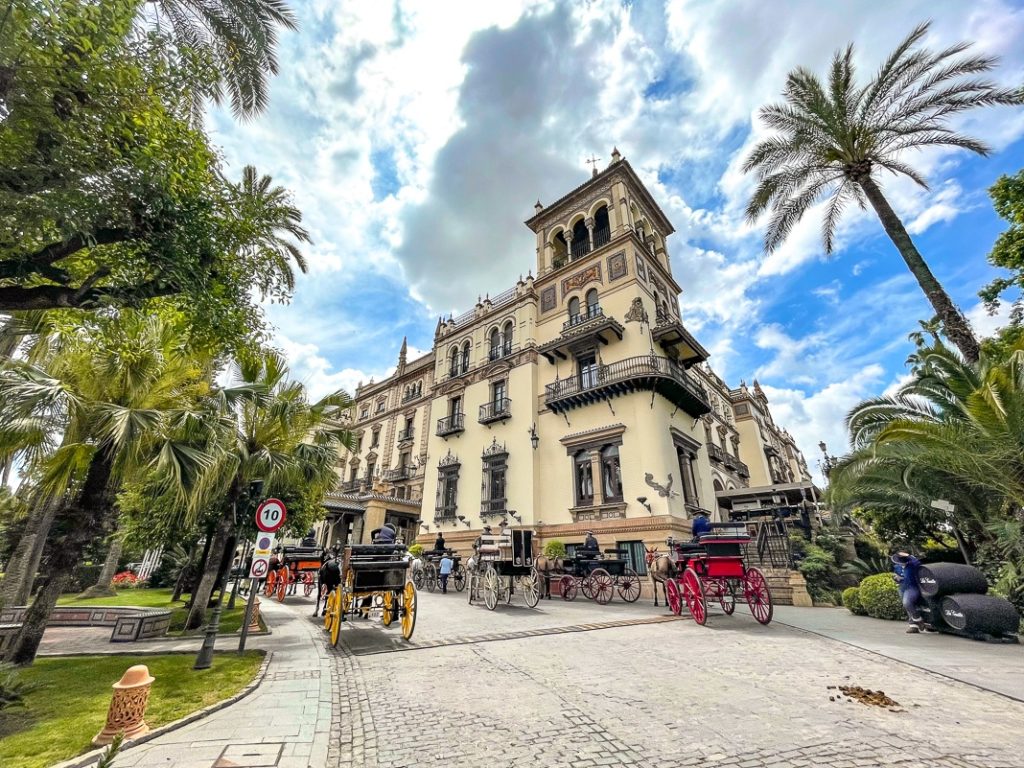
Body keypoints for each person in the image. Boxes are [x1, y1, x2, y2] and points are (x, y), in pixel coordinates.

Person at [892, 551, 925, 632]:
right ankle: (913, 626)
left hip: (912, 587)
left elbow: (918, 562)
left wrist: (909, 555)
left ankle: (918, 619)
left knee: (907, 603)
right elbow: (898, 576)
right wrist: (897, 579)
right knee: (908, 607)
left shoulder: (913, 565)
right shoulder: (897, 567)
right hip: (902, 587)